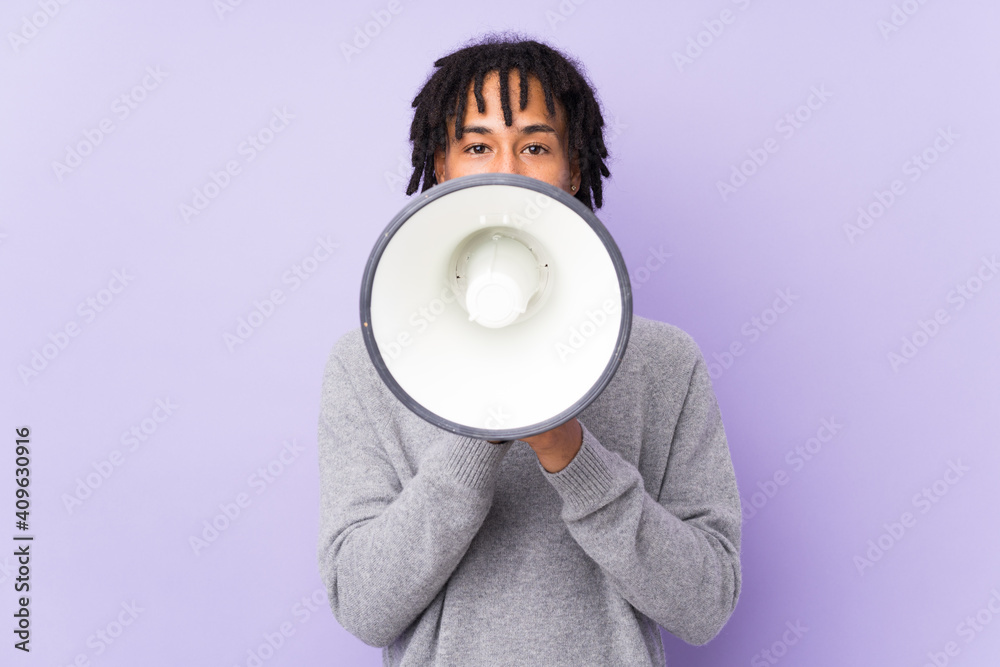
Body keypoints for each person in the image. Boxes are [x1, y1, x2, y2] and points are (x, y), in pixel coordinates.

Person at [317, 34, 742, 666]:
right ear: (441, 165)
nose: (507, 171)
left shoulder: (664, 363)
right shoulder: (371, 364)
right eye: (478, 145)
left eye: (536, 147)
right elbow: (363, 606)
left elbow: (705, 607)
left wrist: (570, 454)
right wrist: (480, 426)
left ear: (573, 169)